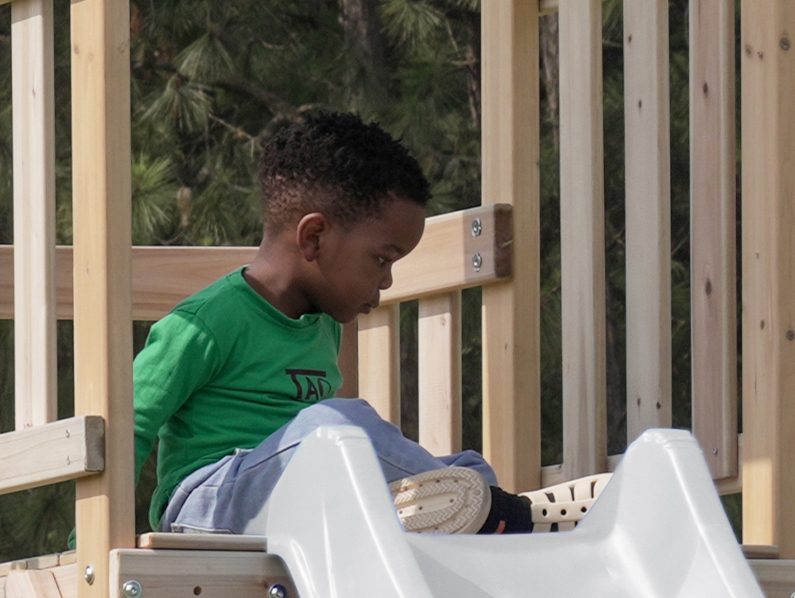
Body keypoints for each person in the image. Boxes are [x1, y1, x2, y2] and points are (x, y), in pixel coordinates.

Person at [137, 107, 532, 537]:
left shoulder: (323, 324)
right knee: (337, 428)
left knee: (467, 468)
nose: (388, 279)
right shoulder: (205, 324)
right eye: (382, 259)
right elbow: (129, 421)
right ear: (313, 238)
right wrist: (91, 543)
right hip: (208, 505)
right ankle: (493, 516)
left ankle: (489, 516)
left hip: (299, 503)